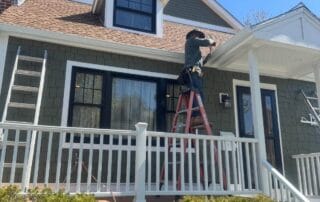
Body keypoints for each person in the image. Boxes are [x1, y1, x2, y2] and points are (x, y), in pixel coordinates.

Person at [184, 29, 216, 125]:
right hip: (193, 71)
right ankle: (197, 117)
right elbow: (206, 42)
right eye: (198, 36)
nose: (198, 38)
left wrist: (208, 56)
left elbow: (200, 62)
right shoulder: (191, 40)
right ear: (193, 35)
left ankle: (194, 118)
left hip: (194, 70)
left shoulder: (193, 51)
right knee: (199, 93)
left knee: (195, 94)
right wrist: (212, 41)